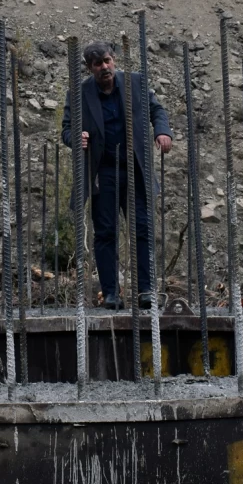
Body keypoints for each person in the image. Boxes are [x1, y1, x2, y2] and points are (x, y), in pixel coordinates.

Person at [61, 41, 172, 309]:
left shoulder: (135, 82)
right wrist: (76, 137)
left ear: (114, 60)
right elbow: (66, 129)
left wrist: (162, 130)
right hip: (103, 171)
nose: (104, 67)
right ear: (90, 68)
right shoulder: (79, 93)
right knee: (105, 232)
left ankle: (146, 291)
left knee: (142, 228)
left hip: (135, 168)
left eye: (107, 61)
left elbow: (157, 109)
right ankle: (111, 293)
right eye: (98, 64)